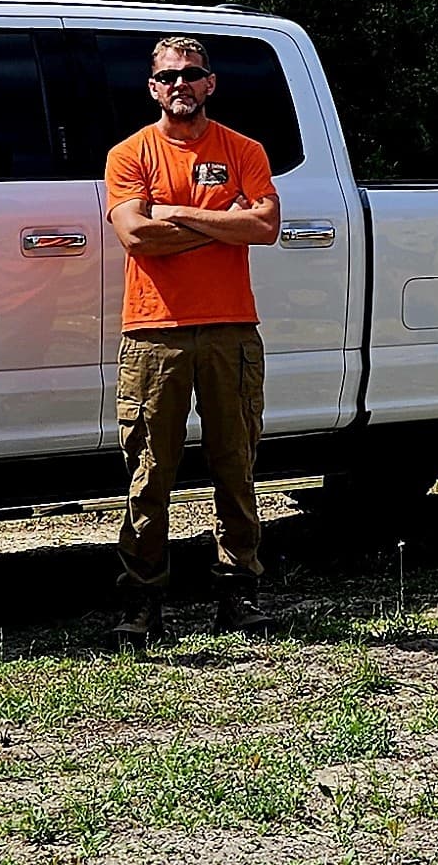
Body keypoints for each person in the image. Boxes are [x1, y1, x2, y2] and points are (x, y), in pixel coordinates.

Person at [104, 35, 283, 647]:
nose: (180, 84)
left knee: (236, 465)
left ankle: (239, 594)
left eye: (192, 74)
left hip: (232, 329)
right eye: (168, 76)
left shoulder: (244, 149)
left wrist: (175, 213)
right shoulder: (130, 154)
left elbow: (266, 225)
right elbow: (137, 237)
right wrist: (224, 222)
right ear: (152, 87)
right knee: (150, 471)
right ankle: (142, 602)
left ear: (210, 83)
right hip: (154, 333)